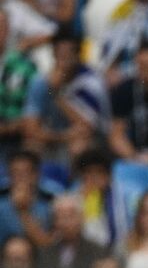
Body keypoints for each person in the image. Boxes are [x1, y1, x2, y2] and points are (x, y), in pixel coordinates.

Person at [22, 31, 110, 173]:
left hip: (93, 142)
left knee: (79, 146)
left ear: (78, 55)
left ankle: (74, 188)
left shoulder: (91, 82)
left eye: (68, 54)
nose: (64, 60)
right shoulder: (40, 82)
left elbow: (87, 128)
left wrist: (56, 95)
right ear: (53, 54)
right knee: (31, 146)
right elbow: (30, 129)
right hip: (55, 137)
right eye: (60, 54)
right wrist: (61, 137)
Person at [35, 193, 106, 268]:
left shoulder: (98, 251)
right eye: (60, 217)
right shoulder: (45, 252)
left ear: (81, 218)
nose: (66, 222)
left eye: (70, 216)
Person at [0, 8, 37, 157]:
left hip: (13, 134)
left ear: (8, 30)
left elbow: (34, 105)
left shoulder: (24, 65)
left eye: (2, 26)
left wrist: (9, 127)